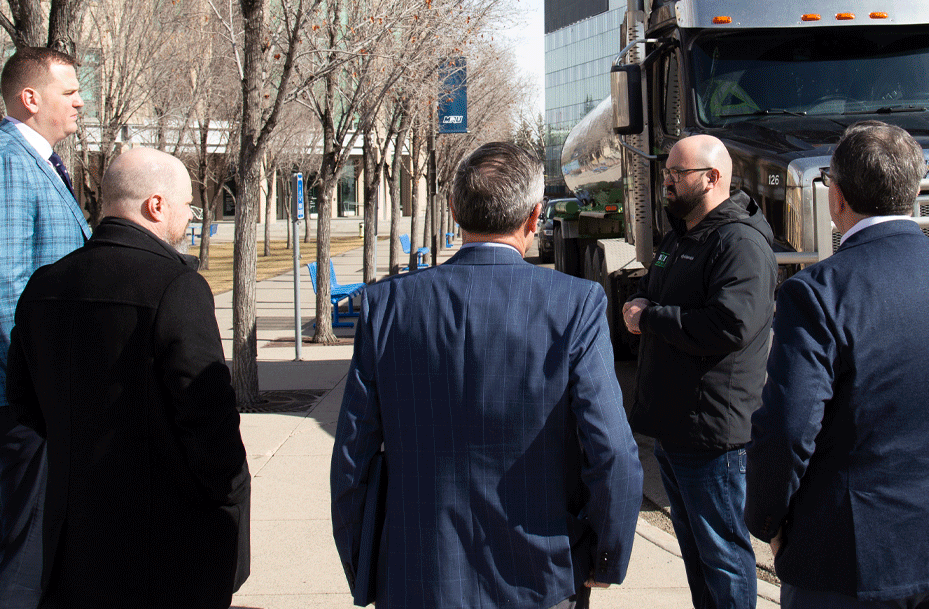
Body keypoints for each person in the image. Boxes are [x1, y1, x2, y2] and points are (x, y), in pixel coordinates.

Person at [331, 142, 643, 609]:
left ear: (454, 209)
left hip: (417, 577)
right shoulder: (574, 305)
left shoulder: (389, 307)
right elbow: (613, 452)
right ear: (536, 218)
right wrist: (605, 558)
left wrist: (364, 566)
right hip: (543, 578)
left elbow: (352, 461)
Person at [745, 121, 929, 609]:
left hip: (846, 562)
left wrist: (767, 521)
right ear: (916, 191)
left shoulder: (816, 293)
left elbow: (788, 428)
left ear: (835, 198)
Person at [5, 148, 250, 609]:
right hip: (166, 548)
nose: (187, 218)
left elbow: (23, 402)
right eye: (188, 208)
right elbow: (210, 421)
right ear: (156, 206)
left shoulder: (43, 286)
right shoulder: (176, 287)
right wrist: (230, 498)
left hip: (72, 542)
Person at [621, 134, 776, 609]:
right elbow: (650, 285)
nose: (666, 181)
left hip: (713, 436)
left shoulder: (739, 242)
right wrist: (642, 300)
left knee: (723, 555)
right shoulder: (681, 234)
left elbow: (730, 324)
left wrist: (650, 317)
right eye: (666, 172)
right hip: (673, 431)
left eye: (675, 174)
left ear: (712, 178)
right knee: (697, 555)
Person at [0, 47, 92, 608]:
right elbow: (0, 288)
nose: (80, 101)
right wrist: (37, 387)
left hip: (43, 389)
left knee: (39, 539)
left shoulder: (39, 161)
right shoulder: (4, 158)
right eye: (69, 91)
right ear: (30, 99)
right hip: (24, 394)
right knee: (25, 547)